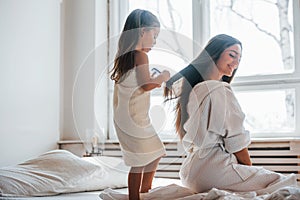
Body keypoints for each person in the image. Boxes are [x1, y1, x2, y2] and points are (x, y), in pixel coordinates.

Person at [164, 34, 297, 194]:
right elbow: (236, 142)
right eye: (232, 55)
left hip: (190, 173)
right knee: (285, 183)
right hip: (213, 171)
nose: (236, 62)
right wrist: (248, 172)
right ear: (213, 54)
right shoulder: (219, 90)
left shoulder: (194, 90)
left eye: (239, 59)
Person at [110, 9, 170, 200]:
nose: (154, 41)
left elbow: (136, 85)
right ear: (142, 31)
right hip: (135, 119)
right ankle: (136, 196)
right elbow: (145, 86)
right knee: (141, 160)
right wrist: (162, 77)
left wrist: (152, 78)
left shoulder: (124, 58)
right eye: (154, 35)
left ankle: (145, 191)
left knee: (154, 153)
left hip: (126, 118)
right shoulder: (140, 56)